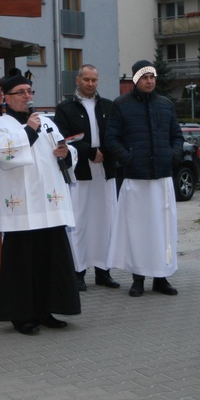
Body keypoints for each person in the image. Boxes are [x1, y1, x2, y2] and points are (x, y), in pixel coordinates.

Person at [0, 68, 81, 335]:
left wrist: (66, 152)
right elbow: (2, 155)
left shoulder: (46, 121)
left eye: (29, 92)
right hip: (23, 207)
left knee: (50, 258)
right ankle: (22, 315)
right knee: (22, 262)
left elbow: (65, 149)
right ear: (6, 97)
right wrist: (28, 131)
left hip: (49, 204)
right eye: (21, 93)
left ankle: (46, 309)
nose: (27, 97)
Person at [105, 60, 183, 297]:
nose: (149, 81)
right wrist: (129, 159)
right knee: (137, 230)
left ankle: (161, 277)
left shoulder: (166, 105)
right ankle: (138, 277)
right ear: (135, 80)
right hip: (135, 179)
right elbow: (111, 138)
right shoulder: (121, 105)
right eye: (144, 77)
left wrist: (171, 155)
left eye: (152, 77)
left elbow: (177, 136)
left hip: (162, 179)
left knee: (163, 230)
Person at [54, 64, 119, 292]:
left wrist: (106, 152)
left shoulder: (108, 106)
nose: (91, 84)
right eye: (86, 79)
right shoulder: (65, 108)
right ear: (78, 81)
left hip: (104, 172)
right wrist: (89, 151)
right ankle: (78, 272)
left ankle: (103, 270)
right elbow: (63, 138)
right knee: (79, 223)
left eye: (94, 80)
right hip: (79, 173)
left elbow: (115, 134)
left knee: (105, 222)